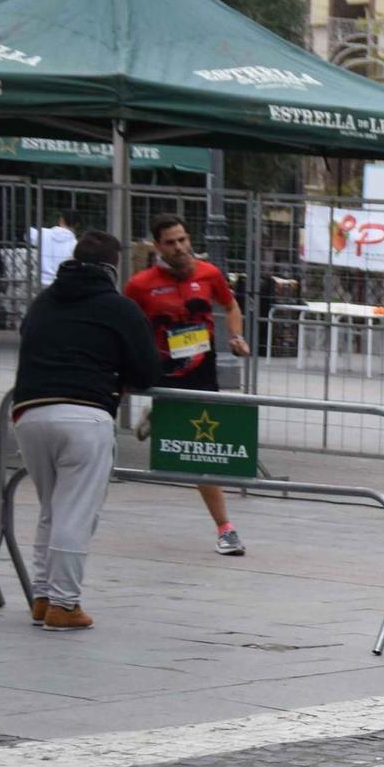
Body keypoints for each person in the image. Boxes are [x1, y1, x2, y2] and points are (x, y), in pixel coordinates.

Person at [10, 230, 158, 630]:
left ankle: (42, 596)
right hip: (85, 413)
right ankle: (64, 604)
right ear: (113, 266)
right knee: (75, 511)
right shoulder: (119, 307)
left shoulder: (42, 302)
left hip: (29, 412)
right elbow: (146, 371)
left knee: (51, 508)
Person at [124, 214, 251, 555]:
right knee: (193, 450)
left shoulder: (209, 274)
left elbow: (230, 304)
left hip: (201, 371)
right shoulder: (140, 285)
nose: (180, 247)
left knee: (203, 449)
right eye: (171, 242)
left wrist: (236, 336)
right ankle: (227, 529)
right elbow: (124, 322)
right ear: (157, 246)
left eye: (183, 239)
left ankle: (226, 529)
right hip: (163, 369)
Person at [31, 212, 80, 288]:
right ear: (77, 225)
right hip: (59, 284)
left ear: (61, 219)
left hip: (39, 281)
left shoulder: (43, 233)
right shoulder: (75, 244)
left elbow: (28, 235)